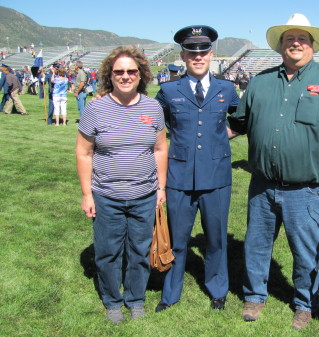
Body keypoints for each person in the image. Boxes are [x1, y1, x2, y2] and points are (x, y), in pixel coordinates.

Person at [227, 13, 319, 331]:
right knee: (257, 244)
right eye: (289, 38)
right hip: (262, 185)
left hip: (306, 189)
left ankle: (305, 303)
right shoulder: (260, 82)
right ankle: (254, 296)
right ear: (280, 46)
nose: (296, 43)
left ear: (312, 45)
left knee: (305, 251)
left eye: (302, 38)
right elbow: (237, 124)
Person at [76, 46, 168, 324]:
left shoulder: (153, 108)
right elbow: (84, 152)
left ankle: (135, 298)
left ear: (141, 74)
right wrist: (86, 194)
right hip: (106, 196)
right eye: (119, 71)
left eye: (131, 71)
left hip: (144, 194)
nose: (125, 76)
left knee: (139, 251)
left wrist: (161, 188)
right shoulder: (96, 108)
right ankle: (112, 301)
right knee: (107, 252)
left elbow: (160, 149)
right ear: (109, 75)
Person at [154, 25, 240, 313]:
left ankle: (218, 290)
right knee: (177, 239)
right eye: (192, 52)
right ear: (183, 55)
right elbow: (158, 125)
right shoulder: (168, 90)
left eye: (203, 52)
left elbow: (241, 120)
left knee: (215, 239)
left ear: (211, 55)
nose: (198, 56)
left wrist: (222, 136)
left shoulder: (227, 89)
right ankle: (170, 293)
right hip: (179, 177)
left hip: (216, 177)